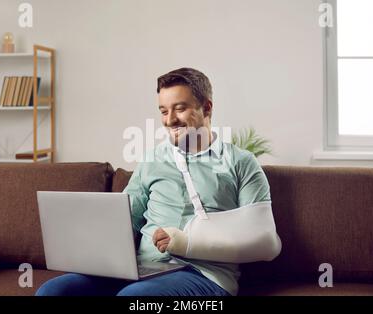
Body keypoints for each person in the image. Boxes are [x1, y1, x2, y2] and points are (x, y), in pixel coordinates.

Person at [36, 68, 276, 296]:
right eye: (163, 111)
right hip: (143, 269)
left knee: (136, 298)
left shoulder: (241, 163)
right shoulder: (152, 160)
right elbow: (124, 220)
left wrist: (187, 244)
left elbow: (266, 243)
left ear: (207, 107)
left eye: (180, 108)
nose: (170, 120)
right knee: (53, 291)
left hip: (204, 275)